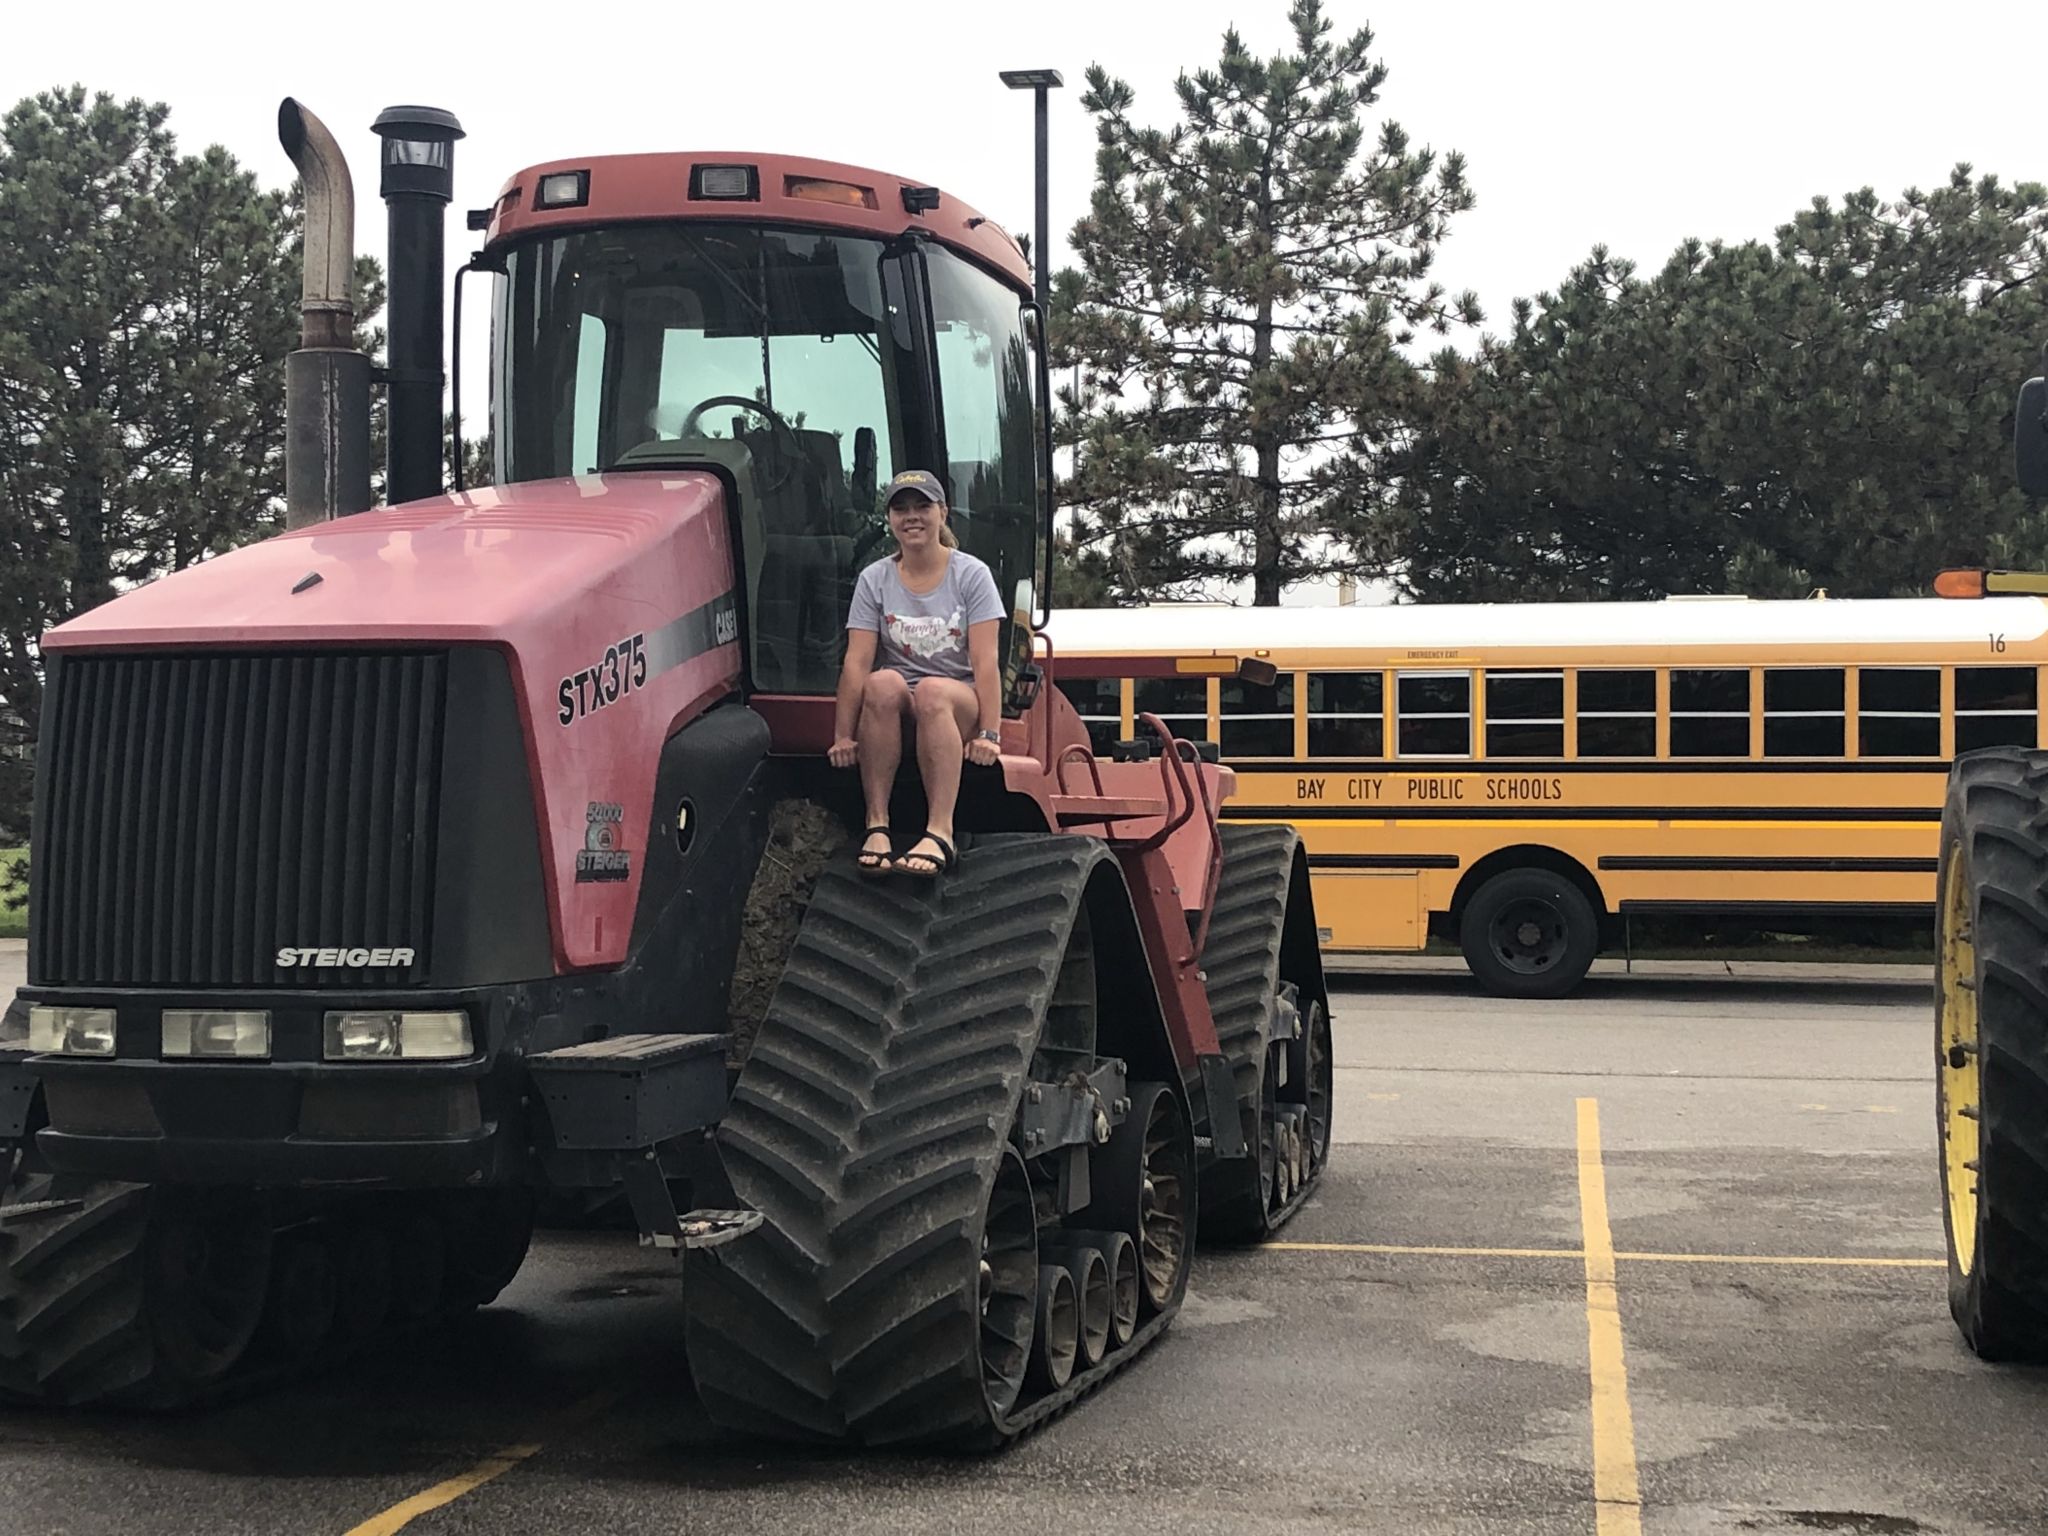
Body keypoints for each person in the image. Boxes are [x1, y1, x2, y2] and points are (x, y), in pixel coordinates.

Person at [829, 469, 1005, 878]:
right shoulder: (875, 578)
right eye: (901, 508)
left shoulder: (971, 575)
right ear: (889, 518)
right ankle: (877, 824)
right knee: (880, 682)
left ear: (942, 513)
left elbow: (985, 661)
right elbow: (856, 661)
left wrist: (989, 735)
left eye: (922, 506)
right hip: (901, 703)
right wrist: (842, 736)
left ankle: (940, 831)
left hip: (957, 701)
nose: (912, 516)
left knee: (932, 691)